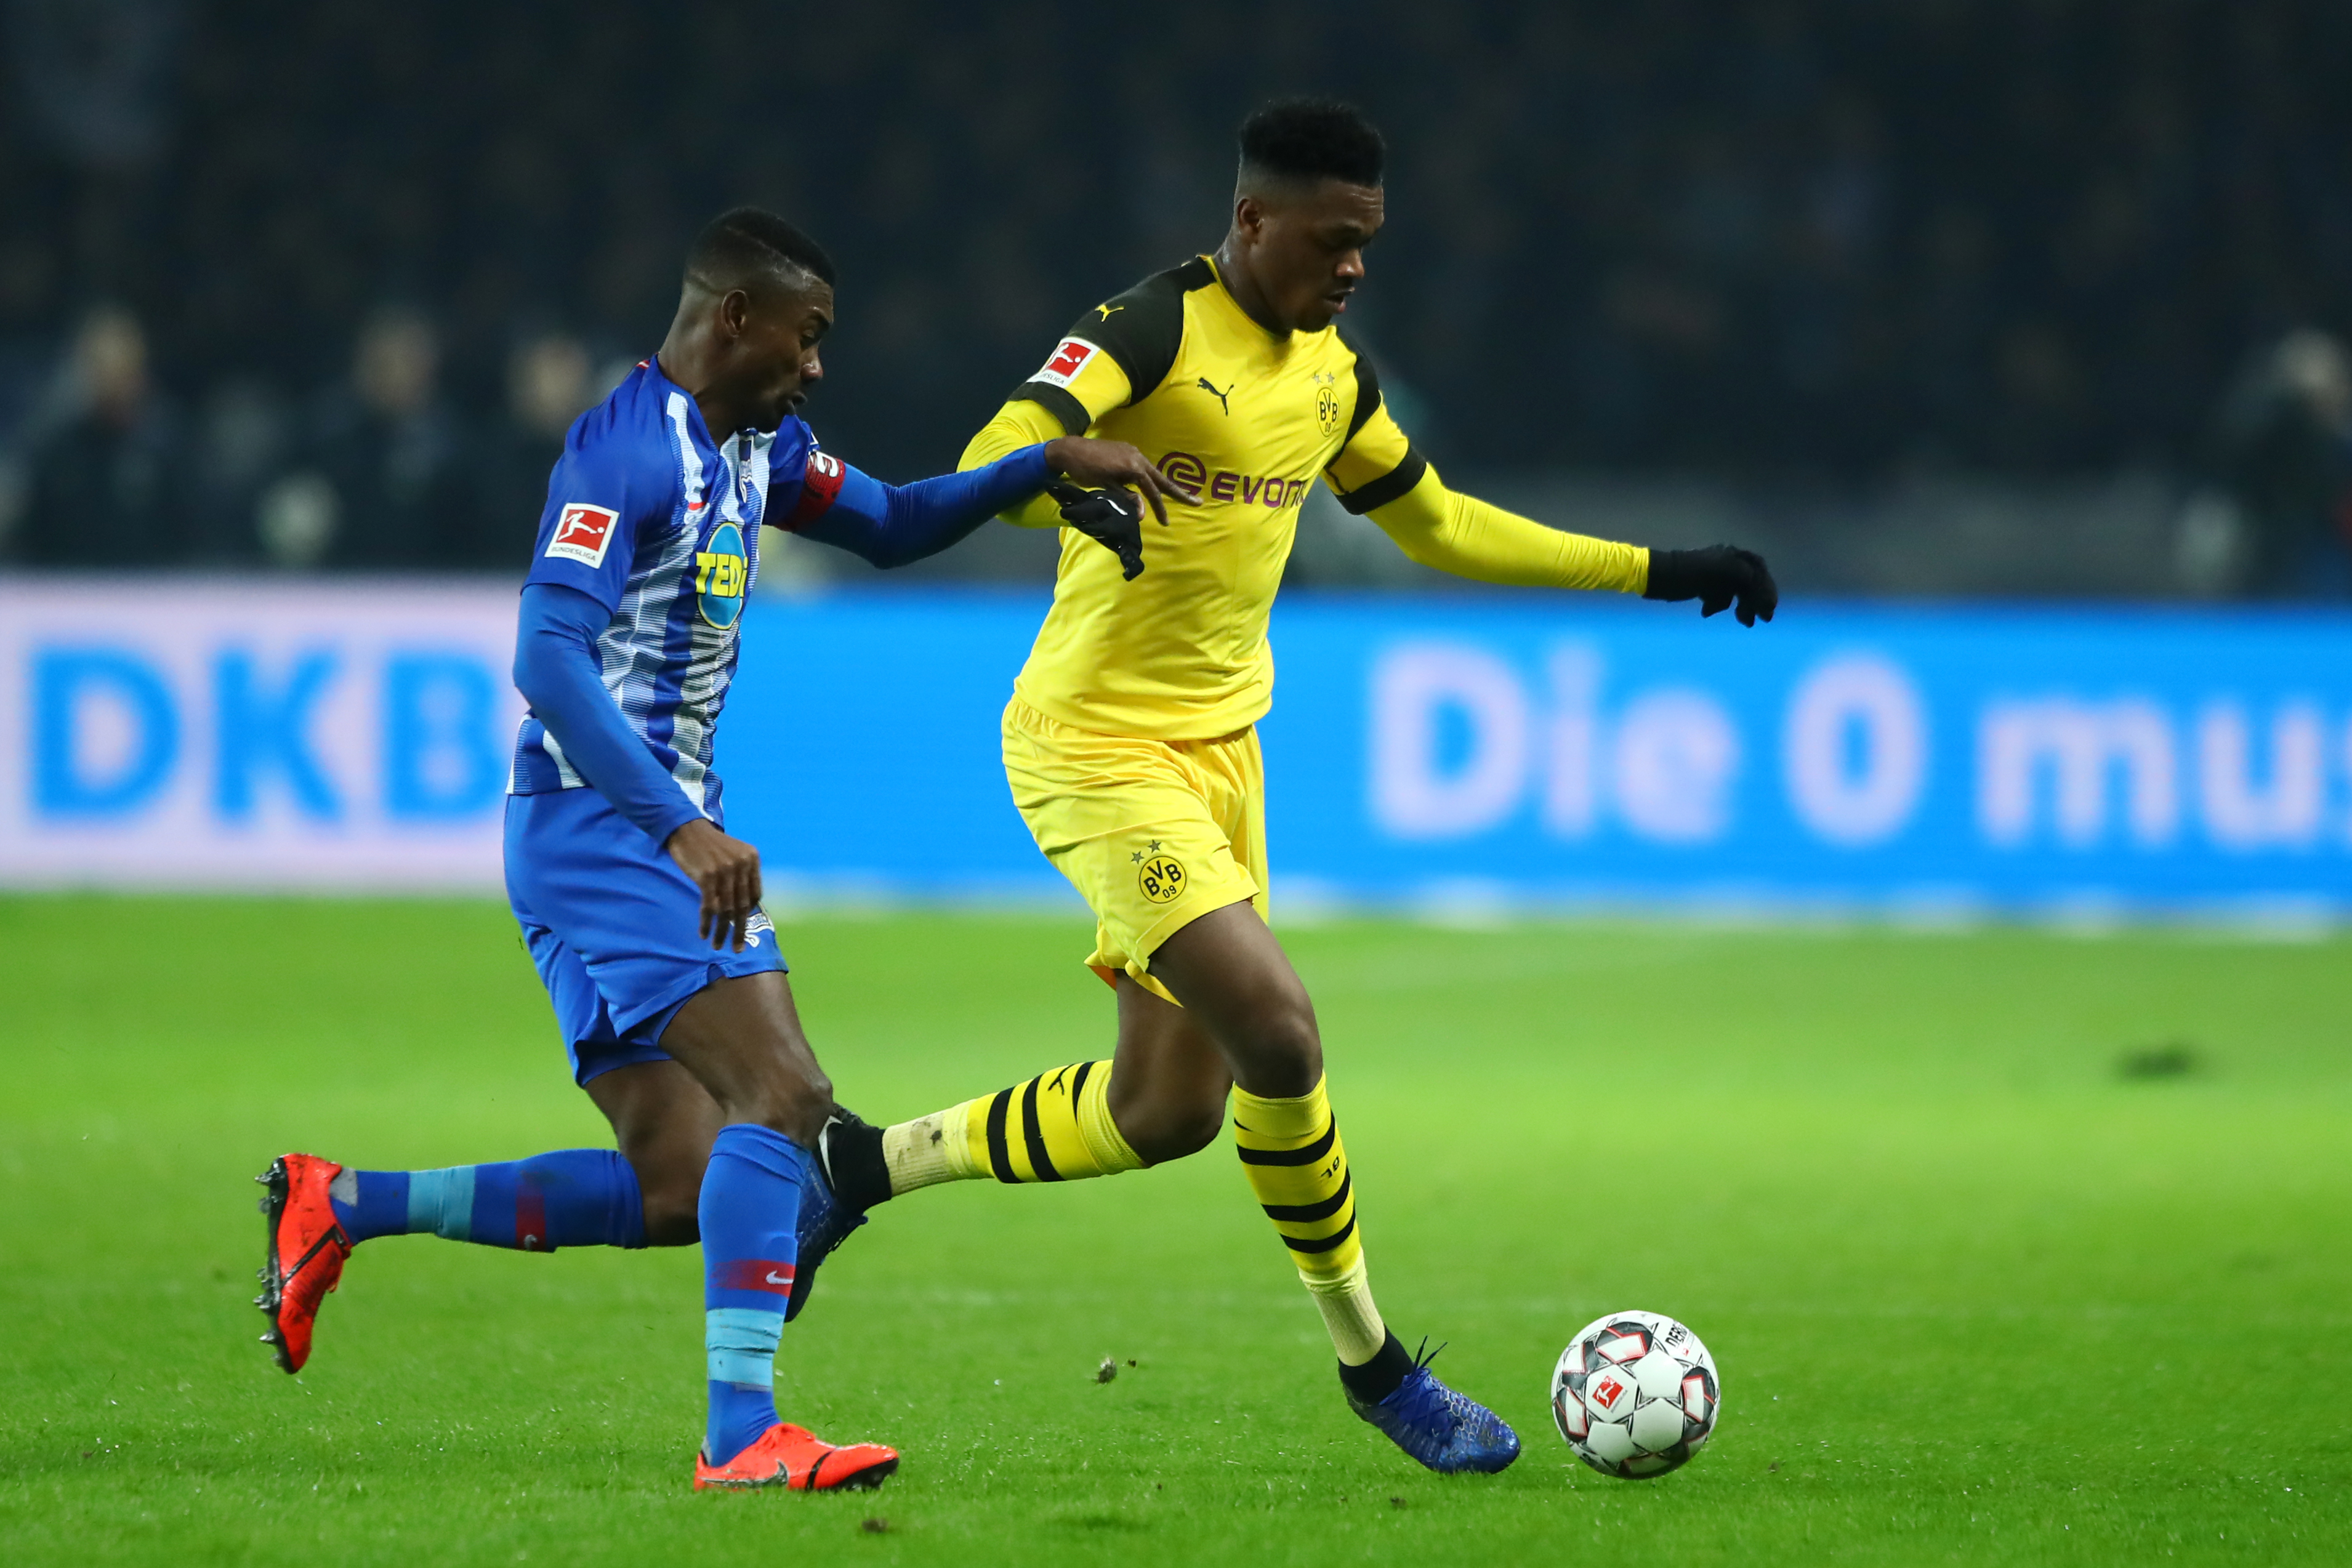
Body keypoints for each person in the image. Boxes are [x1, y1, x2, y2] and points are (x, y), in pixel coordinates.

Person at [818, 100, 1778, 1476]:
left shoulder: (1333, 378)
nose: (1354, 268)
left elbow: (1439, 524)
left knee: (1165, 1114)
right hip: (1090, 742)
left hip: (1222, 759)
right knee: (1279, 1031)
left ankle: (855, 1167)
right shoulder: (1147, 328)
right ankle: (1376, 1367)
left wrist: (1657, 568)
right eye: (1333, 241)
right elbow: (987, 464)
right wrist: (1056, 469)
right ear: (1252, 220)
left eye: (1369, 244)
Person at [252, 206, 1182, 1492]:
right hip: (613, 828)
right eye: (805, 338)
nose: (816, 366)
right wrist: (678, 825)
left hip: (599, 831)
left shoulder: (759, 449)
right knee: (788, 1100)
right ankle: (742, 1434)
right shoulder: (623, 452)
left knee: (681, 1186)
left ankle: (338, 1204)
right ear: (733, 317)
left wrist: (1035, 469)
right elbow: (545, 658)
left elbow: (898, 520)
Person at [15, 305, 181, 566]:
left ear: (138, 370)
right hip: (67, 596)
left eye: (118, 365)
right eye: (99, 365)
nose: (109, 379)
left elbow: (192, 543)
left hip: (151, 598)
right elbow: (34, 542)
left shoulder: (168, 450)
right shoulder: (59, 452)